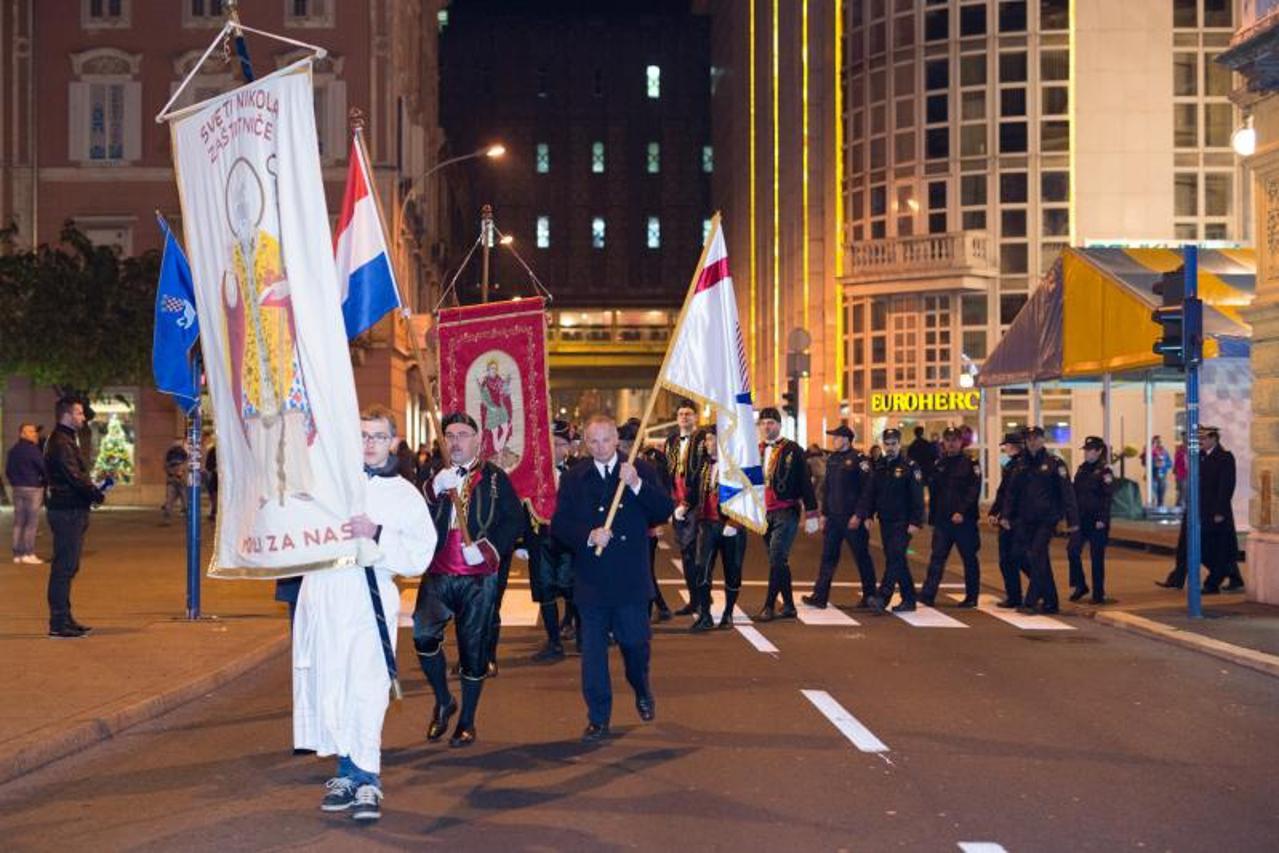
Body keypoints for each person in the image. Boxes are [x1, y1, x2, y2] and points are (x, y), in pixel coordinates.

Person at [294, 405, 434, 823]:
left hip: (367, 600)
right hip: (324, 596)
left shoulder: (404, 494)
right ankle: (344, 774)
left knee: (367, 688)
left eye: (377, 436)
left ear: (392, 441)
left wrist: (377, 533)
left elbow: (420, 554)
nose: (369, 444)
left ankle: (367, 778)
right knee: (331, 684)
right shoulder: (329, 486)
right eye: (362, 436)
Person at [552, 414, 674, 743]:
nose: (600, 446)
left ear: (616, 439)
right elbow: (560, 524)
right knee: (592, 656)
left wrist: (636, 485)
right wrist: (589, 535)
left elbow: (664, 509)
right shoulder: (576, 478)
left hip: (630, 579)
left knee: (635, 646)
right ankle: (598, 717)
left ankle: (641, 686)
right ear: (585, 443)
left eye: (605, 439)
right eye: (592, 441)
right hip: (591, 581)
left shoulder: (640, 470)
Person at [412, 412, 523, 748]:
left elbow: (513, 520)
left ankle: (467, 720)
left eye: (462, 434)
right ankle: (444, 700)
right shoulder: (435, 475)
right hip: (438, 572)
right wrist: (432, 489)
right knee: (423, 638)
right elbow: (413, 511)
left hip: (477, 578)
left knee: (473, 651)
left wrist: (489, 549)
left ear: (477, 440)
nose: (455, 441)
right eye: (449, 435)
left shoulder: (495, 478)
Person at [44, 397, 107, 638]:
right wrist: (95, 493)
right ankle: (58, 623)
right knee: (64, 567)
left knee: (68, 567)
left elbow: (75, 475)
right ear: (68, 415)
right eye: (80, 413)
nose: (84, 417)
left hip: (69, 508)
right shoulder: (61, 442)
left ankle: (65, 619)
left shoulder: (64, 439)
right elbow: (73, 476)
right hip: (67, 510)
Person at [1158, 427, 1242, 593]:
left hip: (1214, 511)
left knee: (1214, 547)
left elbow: (1226, 486)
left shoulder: (1224, 457)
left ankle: (1215, 581)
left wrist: (1220, 511)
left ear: (1213, 438)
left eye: (1203, 438)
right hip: (1196, 508)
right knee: (1185, 544)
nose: (1200, 442)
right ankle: (1177, 578)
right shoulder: (1200, 456)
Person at [802, 425, 877, 609]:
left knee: (862, 557)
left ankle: (870, 595)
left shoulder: (860, 460)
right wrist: (824, 514)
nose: (833, 440)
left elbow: (868, 490)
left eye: (836, 437)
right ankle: (820, 596)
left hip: (851, 518)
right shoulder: (833, 459)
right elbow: (828, 489)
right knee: (828, 557)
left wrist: (860, 514)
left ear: (846, 439)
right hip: (834, 518)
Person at [1006, 426, 1078, 614]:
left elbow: (1067, 492)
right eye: (1029, 438)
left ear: (1042, 439)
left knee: (1037, 555)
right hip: (1025, 519)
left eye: (1036, 438)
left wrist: (1072, 520)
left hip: (1046, 519)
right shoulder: (1021, 464)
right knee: (1022, 555)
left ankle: (1031, 600)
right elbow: (1012, 492)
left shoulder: (1055, 463)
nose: (1032, 441)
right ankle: (1050, 601)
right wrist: (1006, 515)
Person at [680, 426, 746, 631]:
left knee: (732, 570)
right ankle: (705, 615)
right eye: (707, 440)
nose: (708, 444)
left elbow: (748, 497)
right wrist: (684, 505)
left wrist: (735, 522)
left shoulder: (737, 467)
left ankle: (728, 613)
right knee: (701, 567)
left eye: (712, 439)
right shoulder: (704, 466)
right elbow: (694, 491)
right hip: (706, 524)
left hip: (730, 526)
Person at [756, 406, 819, 621]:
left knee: (776, 557)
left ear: (779, 425)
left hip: (786, 510)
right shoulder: (758, 449)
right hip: (764, 513)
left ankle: (769, 606)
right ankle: (790, 605)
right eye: (763, 423)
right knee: (778, 561)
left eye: (771, 422)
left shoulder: (793, 449)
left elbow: (805, 481)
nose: (766, 426)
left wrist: (811, 513)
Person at [853, 428, 924, 613]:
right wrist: (868, 514)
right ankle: (909, 599)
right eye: (887, 444)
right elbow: (871, 492)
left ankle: (882, 596)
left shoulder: (910, 466)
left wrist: (916, 521)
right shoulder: (880, 465)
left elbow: (917, 496)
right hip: (886, 520)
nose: (890, 447)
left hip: (904, 521)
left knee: (894, 558)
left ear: (899, 444)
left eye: (893, 444)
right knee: (896, 559)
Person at [529, 420, 579, 662]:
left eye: (558, 443)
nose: (553, 448)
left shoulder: (579, 471)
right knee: (545, 590)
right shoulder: (534, 473)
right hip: (542, 539)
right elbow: (522, 504)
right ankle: (554, 641)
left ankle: (582, 634)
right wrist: (521, 542)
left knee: (573, 588)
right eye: (549, 443)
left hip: (570, 542)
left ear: (568, 447)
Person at [919, 427, 981, 608]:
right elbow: (935, 492)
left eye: (954, 440)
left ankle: (971, 596)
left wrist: (961, 511)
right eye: (948, 440)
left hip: (964, 521)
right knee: (937, 558)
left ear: (961, 442)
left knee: (969, 559)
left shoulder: (970, 463)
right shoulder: (940, 463)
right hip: (943, 521)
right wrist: (932, 518)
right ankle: (928, 594)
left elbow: (973, 491)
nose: (951, 443)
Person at [663, 400, 705, 615]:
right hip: (676, 503)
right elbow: (666, 473)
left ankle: (701, 599)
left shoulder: (704, 439)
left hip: (699, 505)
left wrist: (688, 502)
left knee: (698, 554)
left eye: (689, 413)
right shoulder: (670, 441)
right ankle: (694, 599)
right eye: (681, 413)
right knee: (686, 552)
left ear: (695, 417)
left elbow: (702, 475)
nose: (684, 417)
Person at [1067, 436, 1114, 604]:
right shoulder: (1082, 470)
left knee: (1096, 557)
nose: (1086, 453)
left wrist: (1103, 518)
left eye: (1089, 450)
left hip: (1097, 521)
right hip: (1081, 519)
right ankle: (1080, 585)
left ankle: (1098, 593)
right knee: (1072, 551)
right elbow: (1075, 493)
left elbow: (1108, 497)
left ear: (1099, 451)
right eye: (1085, 450)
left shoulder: (1104, 471)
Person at [987, 432, 1029, 609]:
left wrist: (1007, 515)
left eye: (1007, 445)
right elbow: (1003, 492)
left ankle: (1040, 588)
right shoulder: (1011, 466)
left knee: (1019, 557)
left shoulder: (1025, 465)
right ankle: (1013, 596)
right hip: (1006, 519)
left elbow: (1019, 496)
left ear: (1016, 445)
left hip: (1018, 519)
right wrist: (994, 511)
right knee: (1006, 560)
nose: (1005, 449)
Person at [6, 423, 47, 564]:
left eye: (34, 431)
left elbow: (8, 471)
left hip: (17, 488)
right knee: (31, 522)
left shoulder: (13, 451)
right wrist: (43, 481)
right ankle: (28, 553)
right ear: (22, 434)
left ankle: (17, 554)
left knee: (19, 522)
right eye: (30, 432)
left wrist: (14, 482)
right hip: (33, 487)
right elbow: (43, 467)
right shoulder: (33, 450)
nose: (34, 434)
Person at [162, 439, 189, 523]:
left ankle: (167, 518)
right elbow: (185, 466)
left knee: (170, 500)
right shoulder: (183, 454)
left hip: (172, 479)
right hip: (179, 479)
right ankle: (187, 517)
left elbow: (166, 466)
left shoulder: (169, 454)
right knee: (184, 498)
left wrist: (171, 474)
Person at [1145, 435, 1171, 508]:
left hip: (1162, 475)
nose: (1158, 444)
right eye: (1156, 442)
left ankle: (1160, 506)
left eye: (1159, 442)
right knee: (1153, 494)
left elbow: (1170, 463)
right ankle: (1152, 507)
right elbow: (1145, 463)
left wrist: (1164, 464)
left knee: (1162, 493)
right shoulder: (1150, 452)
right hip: (1152, 476)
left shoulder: (1165, 452)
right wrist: (1154, 464)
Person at [204, 440, 218, 521]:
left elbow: (208, 465)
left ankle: (214, 511)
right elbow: (208, 465)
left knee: (214, 494)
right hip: (216, 476)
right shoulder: (213, 450)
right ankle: (214, 511)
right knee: (214, 494)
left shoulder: (213, 450)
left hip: (218, 476)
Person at [1173, 441, 1188, 507]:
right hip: (1181, 475)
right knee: (1182, 491)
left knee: (1184, 491)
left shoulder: (1189, 454)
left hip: (1188, 475)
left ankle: (1179, 504)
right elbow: (1176, 464)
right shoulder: (1179, 453)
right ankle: (1180, 505)